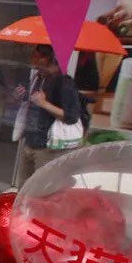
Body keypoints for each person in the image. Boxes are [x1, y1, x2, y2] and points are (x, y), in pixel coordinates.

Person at [14, 44, 82, 186]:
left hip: (48, 147)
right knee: (23, 188)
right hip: (30, 141)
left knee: (41, 190)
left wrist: (44, 103)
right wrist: (21, 96)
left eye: (42, 62)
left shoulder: (64, 82)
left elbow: (71, 116)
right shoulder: (38, 78)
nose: (37, 67)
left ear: (53, 61)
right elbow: (34, 102)